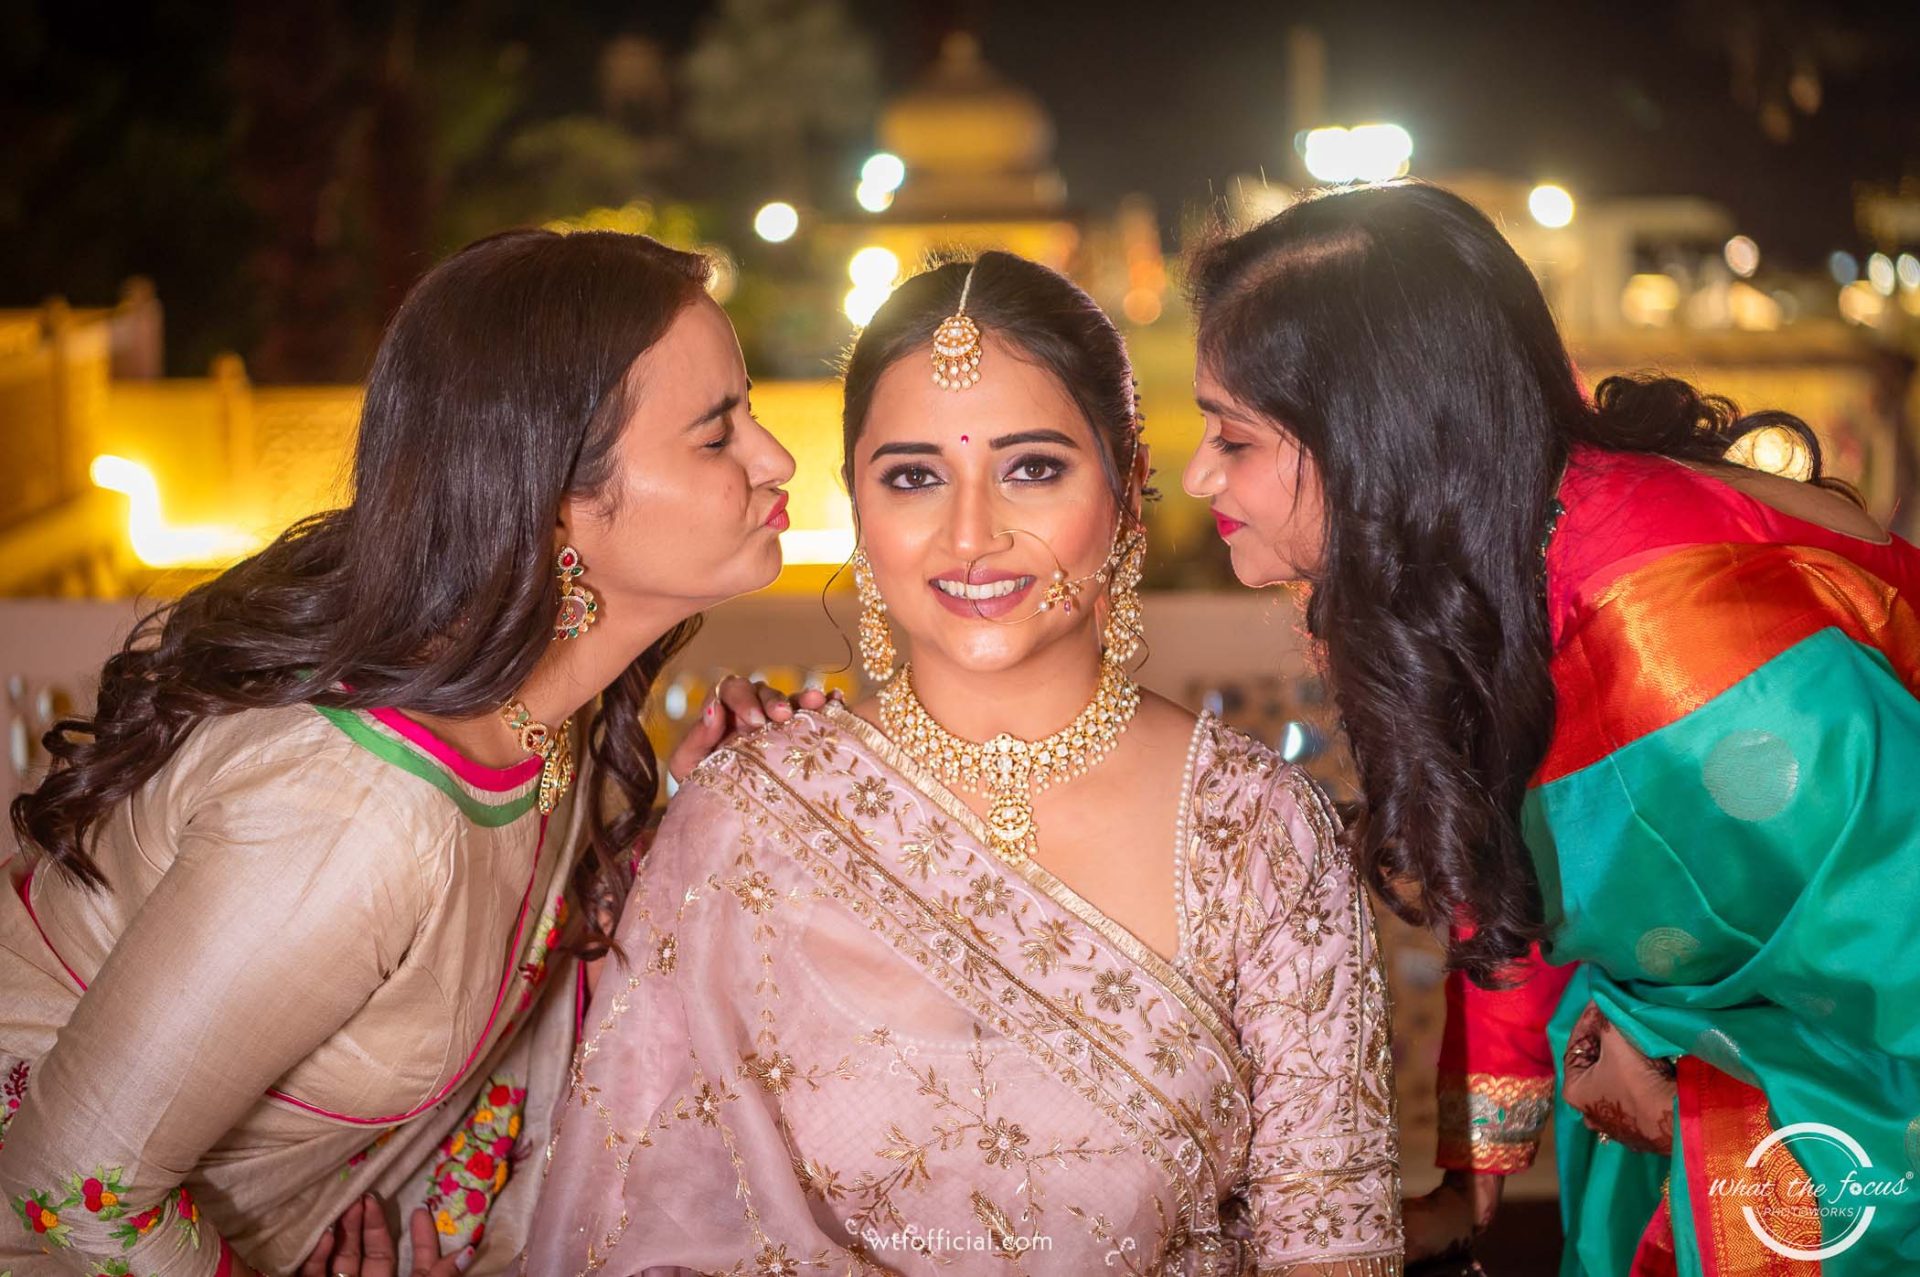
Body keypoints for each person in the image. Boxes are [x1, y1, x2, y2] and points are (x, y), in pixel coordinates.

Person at [525, 252, 1403, 1274]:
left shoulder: (1255, 829)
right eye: (913, 477)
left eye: (1033, 468)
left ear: (1127, 485)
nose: (972, 535)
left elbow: (1331, 1246)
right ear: (858, 503)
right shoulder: (750, 817)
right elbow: (637, 1220)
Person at [0, 228, 801, 1276]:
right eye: (717, 433)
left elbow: (501, 959)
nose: (777, 458)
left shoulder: (537, 717)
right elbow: (69, 1187)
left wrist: (694, 819)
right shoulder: (353, 812)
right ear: (554, 504)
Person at [1180, 179, 1920, 1272]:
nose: (1198, 473)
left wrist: (1686, 1092)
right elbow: (1514, 879)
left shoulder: (1679, 652)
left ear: (1379, 440)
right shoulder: (1487, 569)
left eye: (1233, 437)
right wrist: (1474, 1178)